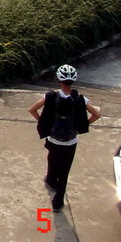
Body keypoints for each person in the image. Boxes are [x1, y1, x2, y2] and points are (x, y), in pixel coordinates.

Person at [28, 64, 101, 213]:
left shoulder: (50, 96)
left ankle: (50, 180)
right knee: (65, 170)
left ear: (59, 80)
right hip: (70, 141)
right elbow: (96, 115)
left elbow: (32, 109)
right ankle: (57, 202)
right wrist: (82, 126)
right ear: (73, 80)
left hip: (53, 139)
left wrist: (43, 122)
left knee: (52, 159)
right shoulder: (80, 98)